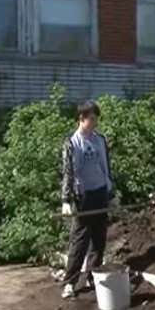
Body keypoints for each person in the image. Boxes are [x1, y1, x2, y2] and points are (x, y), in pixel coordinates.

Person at [60, 101, 116, 299]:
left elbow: (106, 167)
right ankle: (70, 282)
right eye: (90, 119)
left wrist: (111, 193)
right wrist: (66, 200)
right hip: (82, 196)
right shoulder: (72, 142)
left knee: (99, 238)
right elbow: (68, 172)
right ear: (81, 119)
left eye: (95, 119)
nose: (94, 123)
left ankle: (94, 273)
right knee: (80, 239)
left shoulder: (100, 140)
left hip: (100, 192)